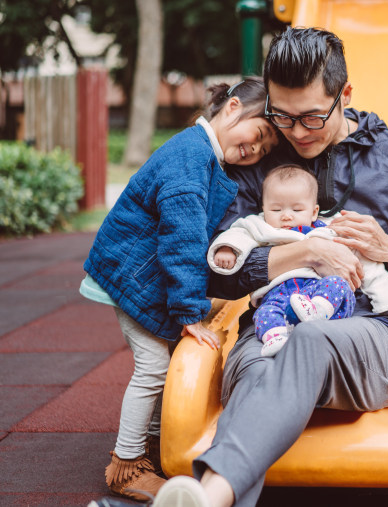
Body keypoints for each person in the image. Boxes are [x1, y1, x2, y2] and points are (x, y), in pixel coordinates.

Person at [150, 27, 388, 507]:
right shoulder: (263, 160)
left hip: (373, 337)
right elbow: (216, 270)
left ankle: (208, 493)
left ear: (344, 95)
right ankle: (213, 498)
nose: (297, 132)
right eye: (281, 116)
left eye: (311, 117)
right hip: (266, 330)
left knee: (311, 338)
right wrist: (304, 253)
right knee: (267, 366)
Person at [79, 77, 278, 502]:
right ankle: (127, 466)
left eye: (264, 149)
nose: (255, 150)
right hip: (129, 273)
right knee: (152, 367)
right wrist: (190, 312)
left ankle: (147, 449)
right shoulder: (190, 157)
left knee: (164, 363)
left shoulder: (204, 155)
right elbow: (182, 238)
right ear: (232, 108)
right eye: (257, 135)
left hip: (142, 273)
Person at [210, 163, 388, 356]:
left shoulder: (328, 230)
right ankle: (276, 337)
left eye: (296, 210)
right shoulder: (259, 226)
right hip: (276, 294)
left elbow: (362, 263)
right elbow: (238, 233)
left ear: (314, 211)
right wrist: (228, 249)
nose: (286, 216)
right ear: (264, 208)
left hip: (318, 291)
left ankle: (318, 311)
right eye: (276, 210)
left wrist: (386, 299)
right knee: (264, 313)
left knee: (337, 284)